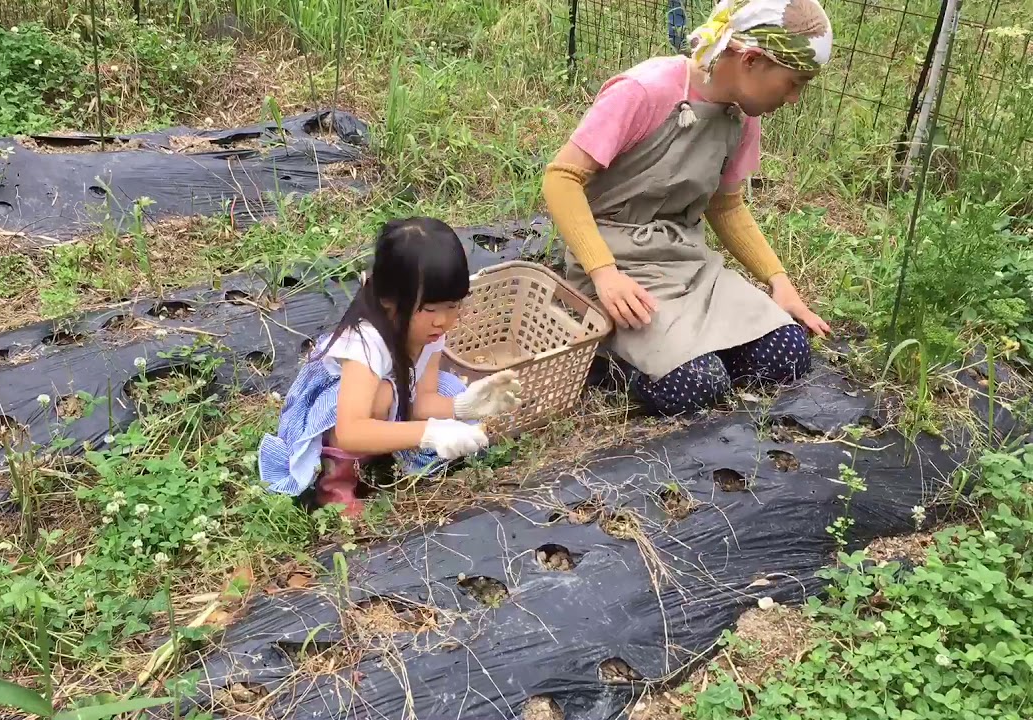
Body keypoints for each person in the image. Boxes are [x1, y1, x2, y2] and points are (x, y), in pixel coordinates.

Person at [542, 0, 834, 416]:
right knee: (696, 385)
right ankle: (612, 354)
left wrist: (778, 281)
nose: (793, 98)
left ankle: (682, 350)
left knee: (787, 353)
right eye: (793, 83)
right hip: (618, 271)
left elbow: (726, 207)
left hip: (685, 264)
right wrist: (604, 274)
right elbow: (561, 178)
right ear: (751, 59)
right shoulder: (644, 91)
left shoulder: (741, 115)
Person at [258, 217, 523, 517]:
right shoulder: (366, 341)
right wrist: (430, 433)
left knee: (446, 387)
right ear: (388, 301)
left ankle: (382, 460)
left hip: (392, 401)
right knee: (383, 395)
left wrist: (464, 407)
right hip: (331, 414)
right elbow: (349, 431)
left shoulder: (431, 331)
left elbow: (422, 401)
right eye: (430, 309)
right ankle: (334, 481)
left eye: (453, 306)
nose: (443, 321)